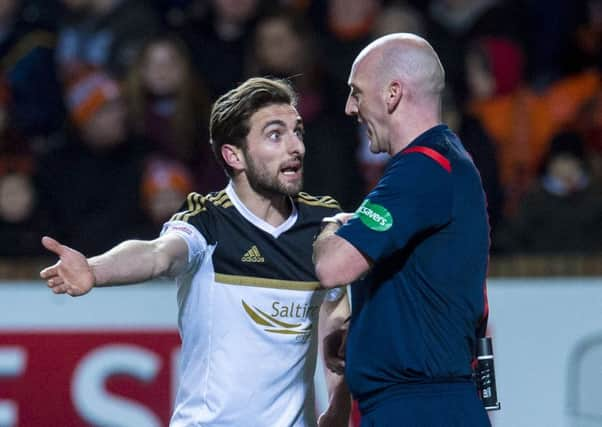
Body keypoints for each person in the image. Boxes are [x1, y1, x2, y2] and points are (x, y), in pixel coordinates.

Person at [40, 77, 351, 427]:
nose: (297, 147)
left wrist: (338, 404)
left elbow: (335, 316)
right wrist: (95, 270)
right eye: (276, 135)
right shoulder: (207, 220)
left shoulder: (322, 223)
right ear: (234, 155)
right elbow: (158, 254)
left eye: (298, 132)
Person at [313, 33, 491, 426]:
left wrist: (332, 228)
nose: (349, 108)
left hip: (421, 410)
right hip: (422, 405)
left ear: (393, 93)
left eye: (356, 93)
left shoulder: (424, 168)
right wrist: (366, 336)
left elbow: (332, 267)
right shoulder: (437, 166)